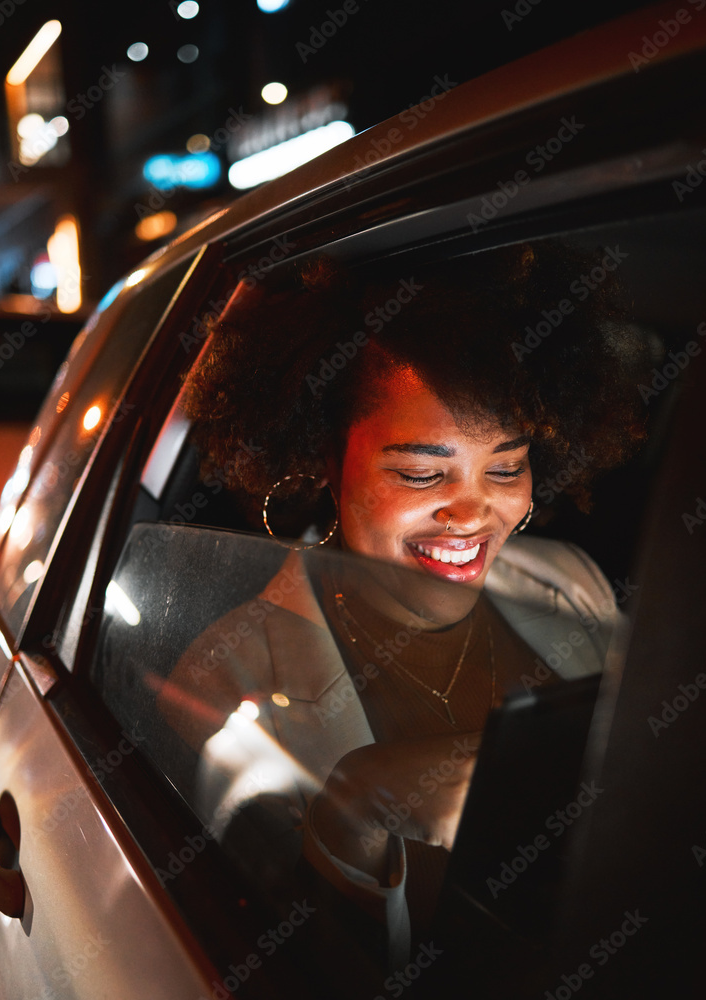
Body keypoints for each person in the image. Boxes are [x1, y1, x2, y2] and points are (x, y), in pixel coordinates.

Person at [158, 240, 648, 969]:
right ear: (328, 458)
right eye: (423, 473)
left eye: (506, 466)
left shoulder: (567, 580)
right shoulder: (228, 684)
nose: (473, 514)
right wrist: (355, 813)